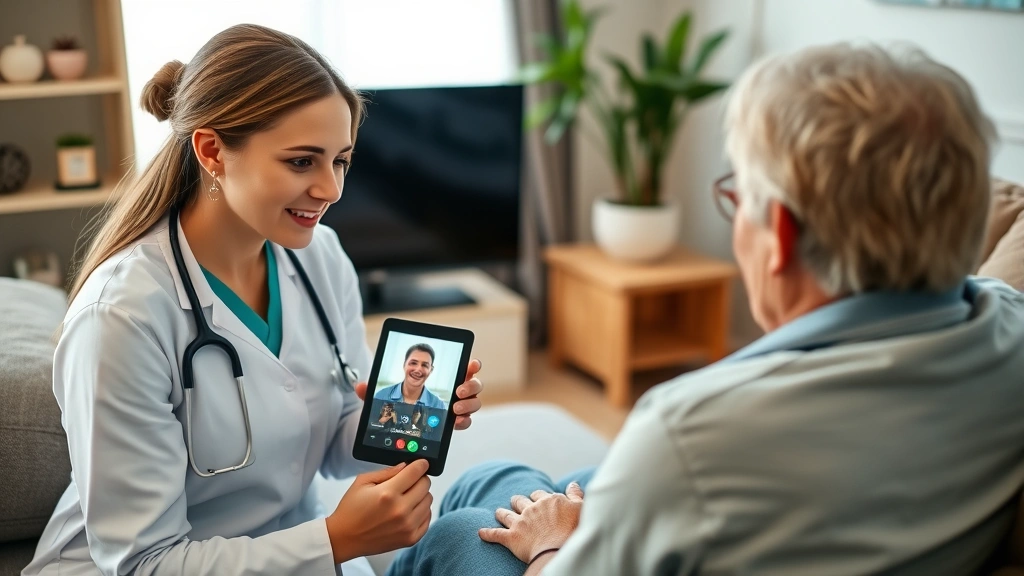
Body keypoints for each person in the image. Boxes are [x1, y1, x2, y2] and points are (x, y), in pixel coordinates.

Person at [385, 43, 1024, 576]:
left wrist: (553, 544)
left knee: (463, 527)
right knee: (502, 477)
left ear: (779, 234)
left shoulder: (693, 433)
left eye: (737, 197)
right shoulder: (1009, 323)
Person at [22, 24, 486, 576]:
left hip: (291, 551)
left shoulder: (319, 257)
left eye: (340, 160)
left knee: (483, 522)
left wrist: (404, 419)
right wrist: (337, 539)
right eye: (302, 161)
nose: (332, 189)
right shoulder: (121, 318)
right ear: (212, 151)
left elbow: (330, 436)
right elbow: (144, 563)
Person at [373, 343, 447, 409]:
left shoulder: (438, 405)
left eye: (424, 365)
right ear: (404, 365)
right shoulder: (380, 396)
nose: (418, 369)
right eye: (413, 363)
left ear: (431, 370)